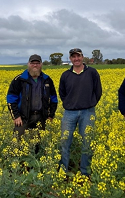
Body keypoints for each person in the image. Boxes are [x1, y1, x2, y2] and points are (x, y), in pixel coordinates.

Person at [59, 48, 102, 176]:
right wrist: (68, 103)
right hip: (69, 112)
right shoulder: (66, 75)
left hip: (87, 112)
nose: (76, 59)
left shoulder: (92, 72)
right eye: (73, 57)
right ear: (70, 59)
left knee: (87, 142)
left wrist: (91, 102)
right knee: (65, 142)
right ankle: (63, 171)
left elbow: (98, 91)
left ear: (82, 57)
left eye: (78, 56)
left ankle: (85, 172)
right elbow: (62, 93)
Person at [7, 54, 58, 141]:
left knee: (39, 144)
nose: (35, 65)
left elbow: (54, 99)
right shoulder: (19, 80)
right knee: (17, 142)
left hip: (41, 117)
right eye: (32, 63)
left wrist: (51, 115)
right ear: (28, 64)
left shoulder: (47, 80)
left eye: (37, 63)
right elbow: (11, 99)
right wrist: (16, 116)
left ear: (41, 65)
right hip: (23, 117)